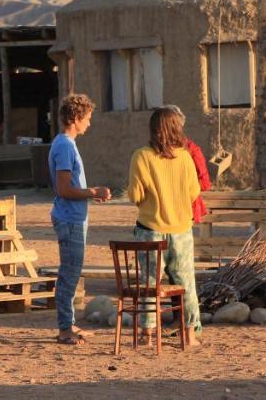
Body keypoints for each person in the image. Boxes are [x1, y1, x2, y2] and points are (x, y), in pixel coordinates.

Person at [125, 106, 202, 345]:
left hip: (151, 229)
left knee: (149, 283)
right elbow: (194, 192)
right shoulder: (185, 157)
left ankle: (147, 333)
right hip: (181, 230)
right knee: (186, 283)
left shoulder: (142, 156)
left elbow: (135, 196)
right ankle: (189, 333)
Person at [49, 93, 110, 345]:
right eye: (87, 118)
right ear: (75, 118)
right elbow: (63, 189)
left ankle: (69, 324)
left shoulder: (67, 144)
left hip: (74, 217)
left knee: (71, 274)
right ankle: (64, 329)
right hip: (70, 219)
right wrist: (92, 192)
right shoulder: (64, 145)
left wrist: (88, 193)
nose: (89, 123)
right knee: (69, 275)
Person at [165, 105, 212, 223]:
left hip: (183, 208)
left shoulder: (191, 150)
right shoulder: (151, 152)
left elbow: (204, 183)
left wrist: (182, 187)